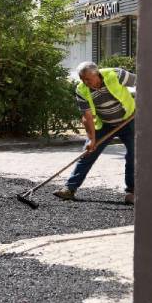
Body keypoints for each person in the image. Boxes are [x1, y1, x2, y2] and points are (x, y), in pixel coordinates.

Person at [54, 61, 136, 204]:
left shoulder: (116, 75)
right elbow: (87, 117)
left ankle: (132, 192)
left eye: (88, 79)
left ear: (97, 74)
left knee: (134, 155)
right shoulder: (81, 90)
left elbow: (143, 82)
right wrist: (92, 139)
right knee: (88, 153)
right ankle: (69, 189)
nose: (85, 82)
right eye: (82, 79)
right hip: (104, 124)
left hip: (128, 119)